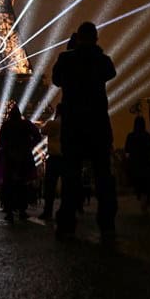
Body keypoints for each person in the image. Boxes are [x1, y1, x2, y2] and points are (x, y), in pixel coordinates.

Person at [52, 21, 118, 240]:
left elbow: (56, 79)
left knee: (71, 176)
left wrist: (72, 50)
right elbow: (111, 72)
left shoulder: (67, 59)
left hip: (73, 125)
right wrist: (93, 51)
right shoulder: (102, 60)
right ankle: (107, 224)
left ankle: (67, 224)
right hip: (98, 124)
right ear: (96, 39)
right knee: (103, 175)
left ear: (77, 38)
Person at [0, 105, 40, 223]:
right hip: (24, 158)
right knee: (22, 185)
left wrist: (1, 158)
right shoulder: (26, 124)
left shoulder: (6, 125)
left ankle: (9, 212)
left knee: (8, 186)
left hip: (10, 159)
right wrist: (29, 145)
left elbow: (0, 142)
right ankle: (22, 210)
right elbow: (37, 136)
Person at [38, 103, 64, 221]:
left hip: (54, 158)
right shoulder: (71, 124)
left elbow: (42, 131)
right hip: (67, 158)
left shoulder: (53, 123)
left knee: (50, 187)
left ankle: (48, 211)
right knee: (68, 185)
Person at [124, 116, 150, 212]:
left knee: (138, 183)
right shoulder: (147, 135)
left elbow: (127, 149)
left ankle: (141, 197)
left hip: (135, 163)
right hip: (145, 162)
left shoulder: (130, 136)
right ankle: (145, 199)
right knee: (145, 183)